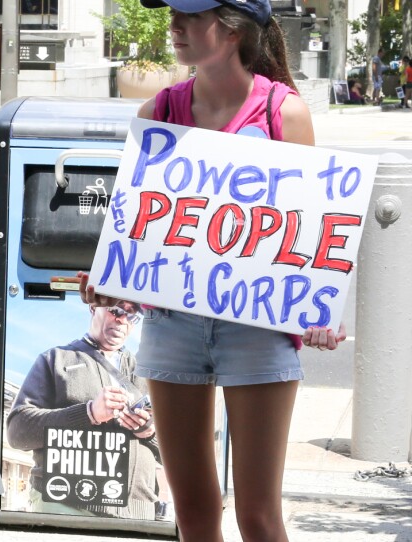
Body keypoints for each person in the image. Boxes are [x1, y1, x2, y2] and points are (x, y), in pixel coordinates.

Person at [80, 0, 346, 540]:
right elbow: (139, 220)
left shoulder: (283, 112)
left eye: (192, 16)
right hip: (172, 327)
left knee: (259, 515)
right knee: (194, 513)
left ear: (231, 31)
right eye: (174, 13)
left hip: (259, 329)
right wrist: (109, 278)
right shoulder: (159, 111)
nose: (175, 25)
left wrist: (319, 308)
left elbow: (312, 233)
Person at [6, 302, 173, 521]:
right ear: (94, 307)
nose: (123, 321)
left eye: (132, 317)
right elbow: (18, 431)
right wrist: (89, 413)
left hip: (137, 516)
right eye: (117, 311)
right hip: (64, 506)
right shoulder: (55, 359)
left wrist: (149, 432)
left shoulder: (149, 372)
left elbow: (179, 451)